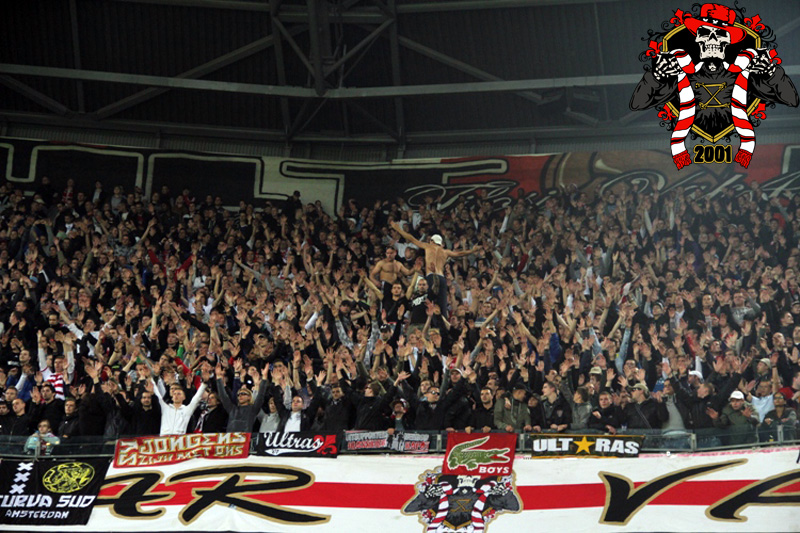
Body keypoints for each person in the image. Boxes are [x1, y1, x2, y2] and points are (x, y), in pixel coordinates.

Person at [216, 364, 268, 433]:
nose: (240, 396)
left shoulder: (253, 409)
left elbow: (261, 396)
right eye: (239, 394)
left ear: (249, 397)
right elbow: (223, 396)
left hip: (244, 438)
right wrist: (218, 377)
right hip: (230, 438)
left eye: (243, 394)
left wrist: (264, 378)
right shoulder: (232, 409)